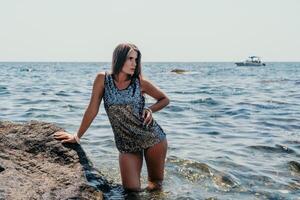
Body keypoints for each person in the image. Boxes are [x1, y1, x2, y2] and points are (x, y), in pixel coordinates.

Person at [54, 43, 169, 192]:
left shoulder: (139, 82)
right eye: (130, 59)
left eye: (136, 59)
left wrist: (149, 109)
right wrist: (77, 136)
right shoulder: (103, 79)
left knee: (155, 186)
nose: (134, 63)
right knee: (131, 191)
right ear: (119, 58)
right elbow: (92, 109)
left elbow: (164, 99)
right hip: (126, 145)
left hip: (153, 138)